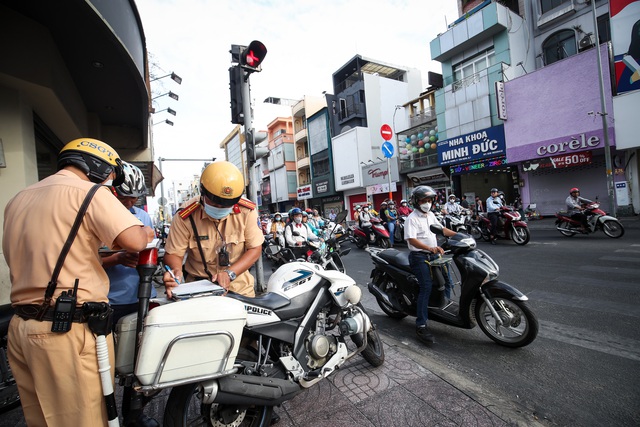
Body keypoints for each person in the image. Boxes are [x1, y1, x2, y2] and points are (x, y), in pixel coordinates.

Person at [3, 138, 153, 426]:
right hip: (66, 331)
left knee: (43, 419)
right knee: (85, 418)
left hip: (21, 327)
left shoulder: (19, 198)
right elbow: (133, 241)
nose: (111, 184)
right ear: (98, 167)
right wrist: (145, 231)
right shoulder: (90, 192)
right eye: (111, 176)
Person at [162, 161, 264, 298]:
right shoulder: (186, 216)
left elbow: (255, 249)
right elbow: (174, 253)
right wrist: (176, 271)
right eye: (215, 203)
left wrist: (230, 273)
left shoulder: (247, 211)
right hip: (198, 291)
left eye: (227, 205)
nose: (221, 208)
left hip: (239, 290)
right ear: (203, 193)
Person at [102, 162, 156, 327]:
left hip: (143, 294)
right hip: (111, 298)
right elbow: (87, 261)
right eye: (123, 197)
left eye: (134, 197)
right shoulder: (100, 217)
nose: (129, 203)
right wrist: (117, 258)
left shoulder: (143, 217)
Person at [404, 186, 457, 345]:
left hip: (434, 254)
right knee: (426, 287)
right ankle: (421, 324)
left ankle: (441, 307)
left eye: (429, 200)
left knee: (447, 281)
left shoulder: (431, 215)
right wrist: (429, 248)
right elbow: (411, 240)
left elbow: (441, 229)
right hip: (419, 256)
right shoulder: (411, 219)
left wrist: (459, 235)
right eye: (423, 200)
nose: (427, 203)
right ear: (416, 202)